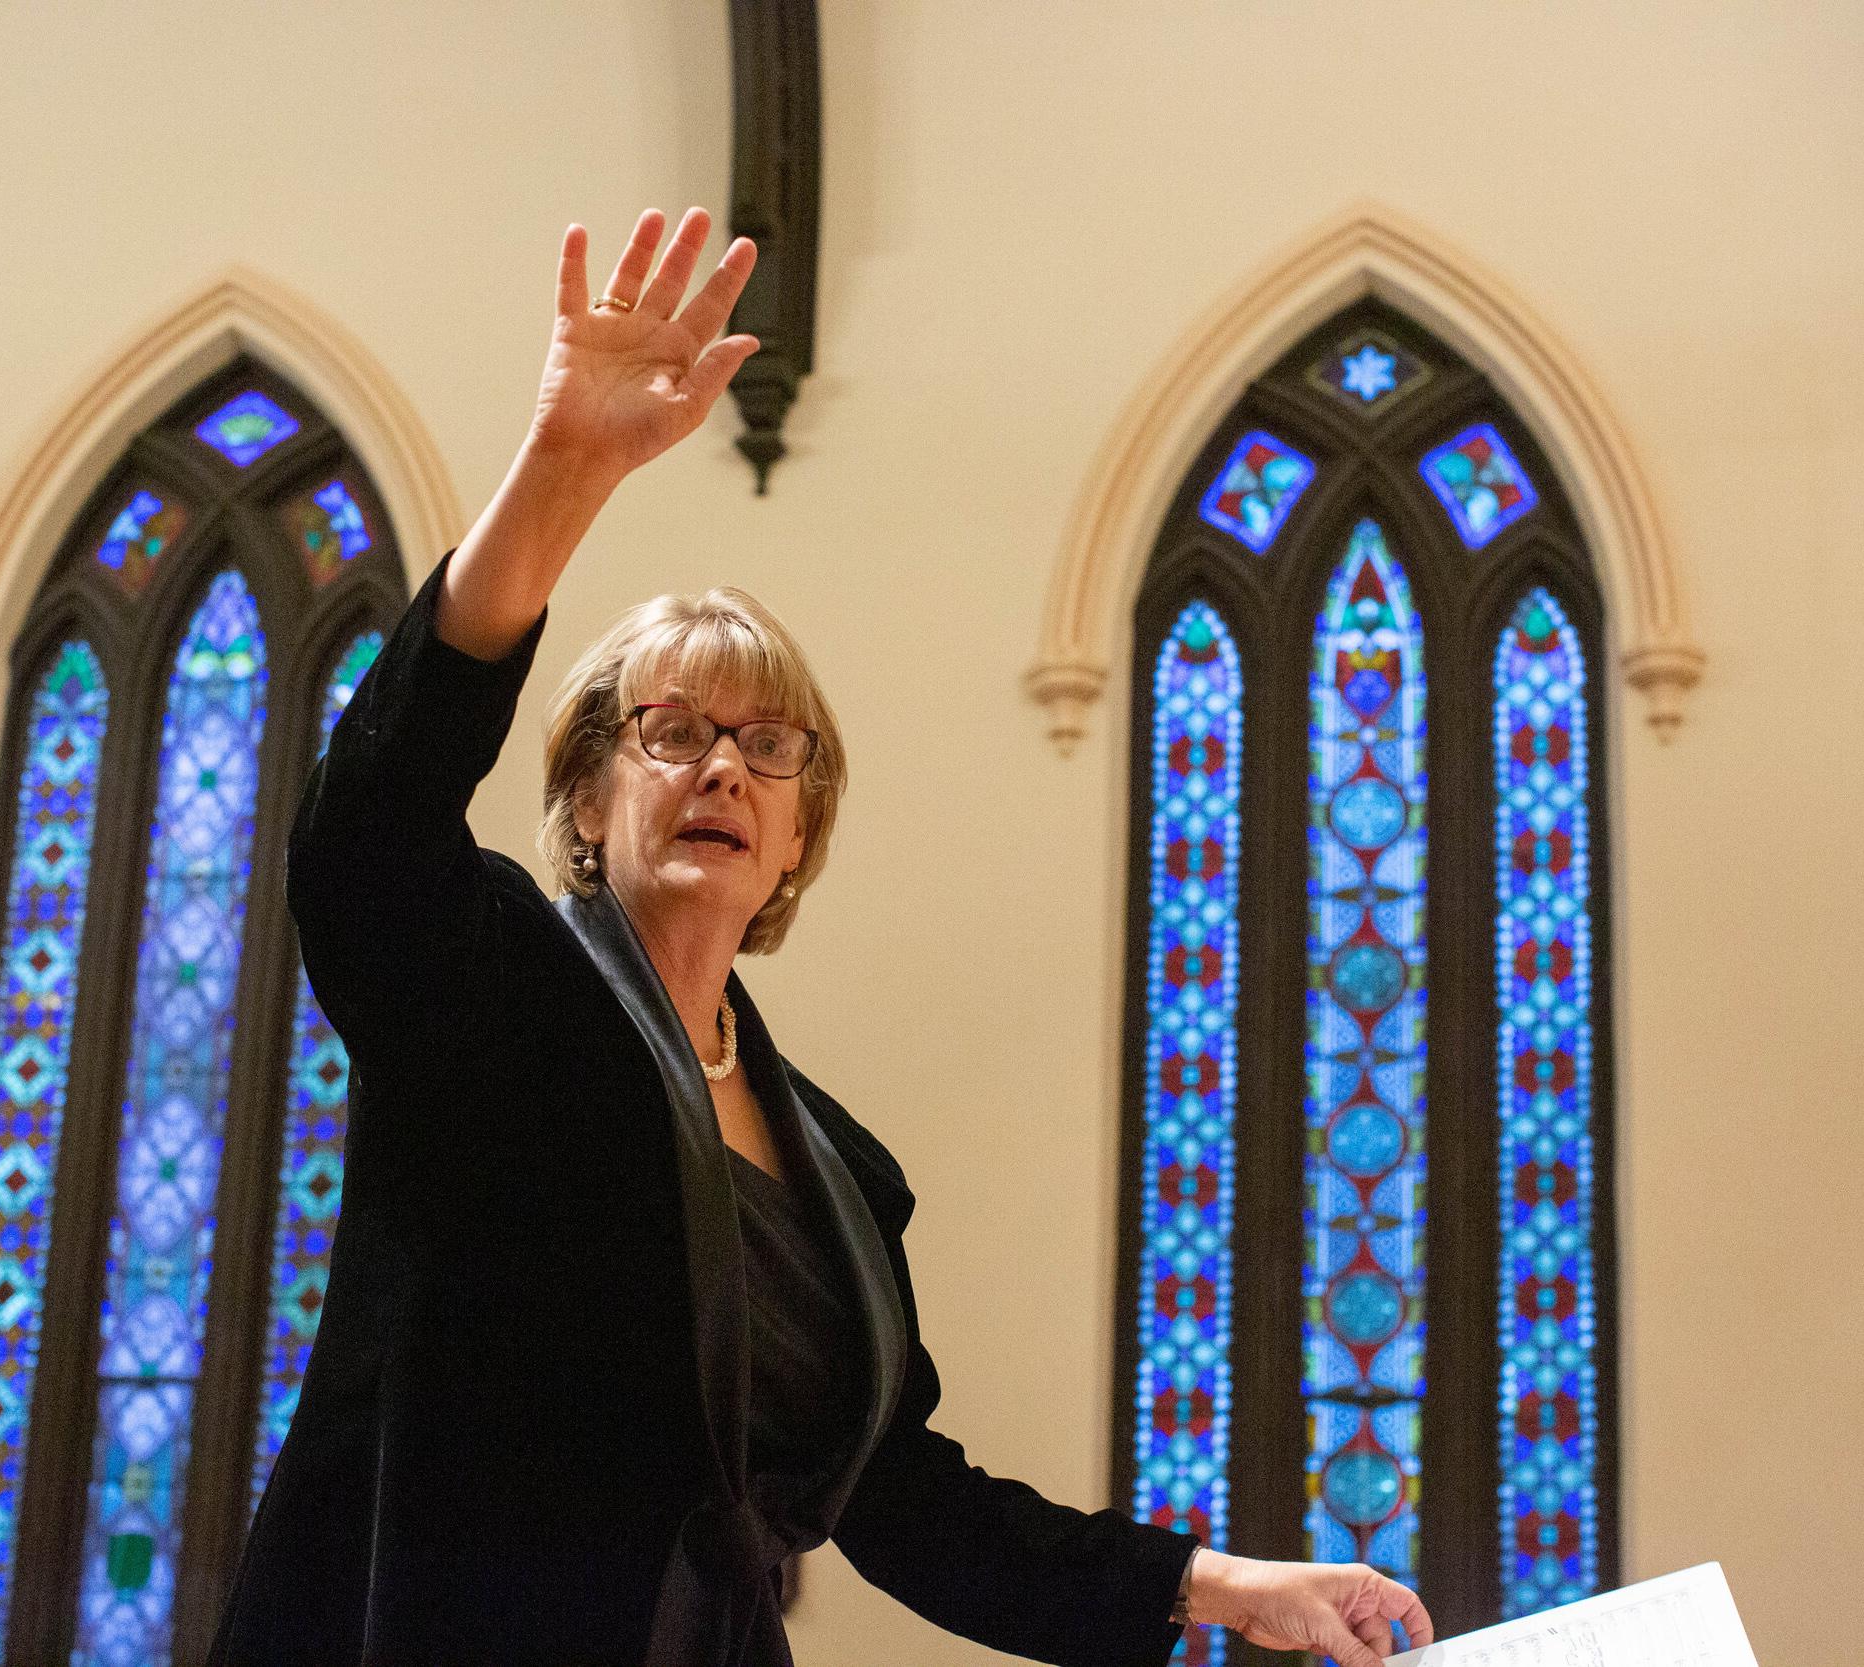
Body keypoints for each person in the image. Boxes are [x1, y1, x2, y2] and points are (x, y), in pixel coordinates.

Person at [209, 207, 1437, 1667]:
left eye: (765, 745)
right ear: (587, 801)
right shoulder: (484, 992)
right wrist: (568, 467)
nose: (721, 768)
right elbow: (367, 826)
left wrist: (1222, 1585)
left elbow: (904, 1502)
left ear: (797, 836)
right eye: (668, 731)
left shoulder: (845, 1172)